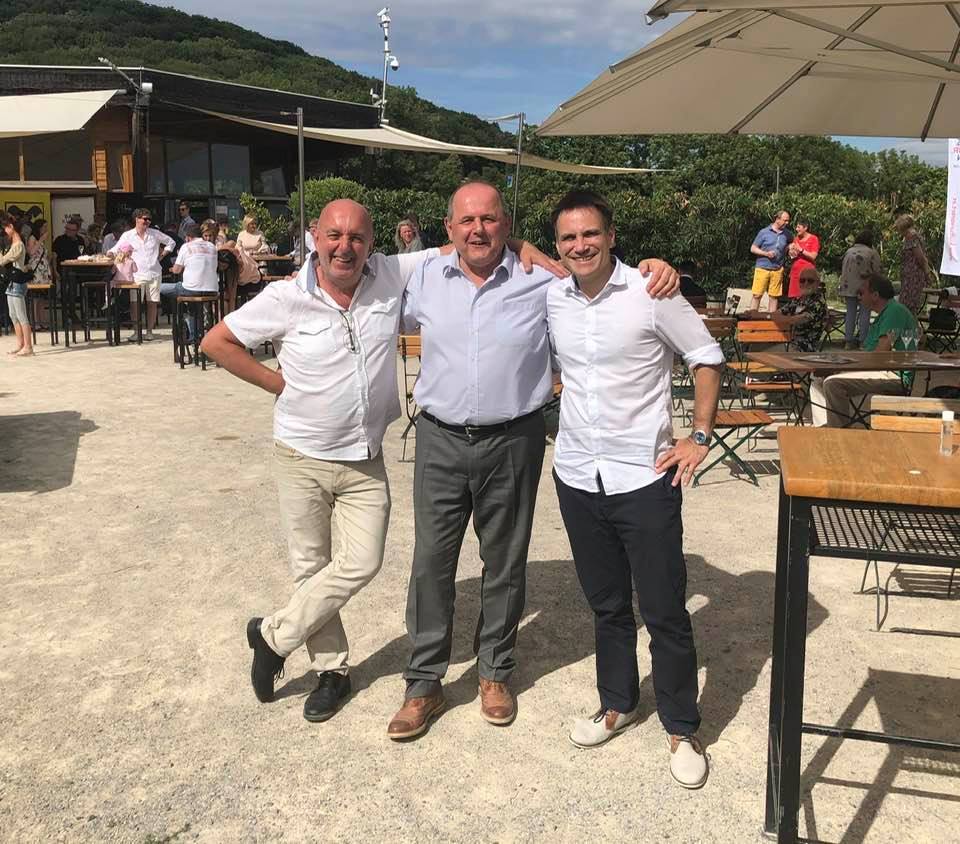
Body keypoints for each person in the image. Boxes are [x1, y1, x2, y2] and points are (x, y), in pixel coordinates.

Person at [201, 198, 567, 724]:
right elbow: (218, 342)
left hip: (370, 454)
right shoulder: (286, 296)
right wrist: (279, 385)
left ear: (373, 244)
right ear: (315, 237)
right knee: (327, 568)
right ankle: (339, 671)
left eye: (356, 237)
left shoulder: (394, 275)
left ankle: (276, 635)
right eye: (333, 235)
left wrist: (518, 244)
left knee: (373, 561)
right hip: (307, 452)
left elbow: (476, 243)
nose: (344, 246)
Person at [386, 180, 679, 741]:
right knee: (431, 563)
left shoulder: (543, 279)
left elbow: (599, 277)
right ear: (448, 228)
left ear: (507, 224)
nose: (478, 230)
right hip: (440, 438)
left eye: (490, 219)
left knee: (505, 560)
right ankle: (424, 681)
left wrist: (656, 267)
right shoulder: (422, 278)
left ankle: (495, 672)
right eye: (466, 220)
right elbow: (361, 276)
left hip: (513, 438)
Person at [546, 190, 720, 788]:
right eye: (568, 238)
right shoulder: (554, 297)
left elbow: (706, 357)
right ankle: (617, 703)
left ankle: (681, 725)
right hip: (577, 474)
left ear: (611, 236)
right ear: (557, 246)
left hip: (643, 477)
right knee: (607, 605)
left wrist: (700, 436)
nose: (580, 246)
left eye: (589, 234)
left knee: (665, 609)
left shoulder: (653, 291)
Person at [810, 273, 919, 427]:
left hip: (893, 375)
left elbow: (879, 356)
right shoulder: (884, 314)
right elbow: (867, 354)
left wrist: (842, 367)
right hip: (877, 370)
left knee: (832, 384)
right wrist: (838, 363)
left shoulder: (894, 311)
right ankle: (824, 429)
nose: (858, 297)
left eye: (861, 292)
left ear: (875, 295)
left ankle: (837, 434)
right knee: (818, 381)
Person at [106, 209, 176, 342]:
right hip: (137, 274)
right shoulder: (128, 235)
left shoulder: (155, 233)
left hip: (154, 272)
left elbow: (171, 242)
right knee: (135, 303)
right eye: (145, 219)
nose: (147, 222)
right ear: (137, 219)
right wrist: (110, 253)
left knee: (152, 302)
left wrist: (163, 254)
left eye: (149, 219)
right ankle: (136, 331)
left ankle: (149, 331)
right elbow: (117, 248)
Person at [743, 267, 827, 353]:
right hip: (787, 341)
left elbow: (793, 320)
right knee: (753, 347)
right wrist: (754, 314)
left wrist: (764, 316)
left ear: (817, 283)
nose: (806, 283)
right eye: (802, 280)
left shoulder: (818, 303)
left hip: (803, 348)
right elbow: (778, 313)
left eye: (810, 281)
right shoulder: (798, 300)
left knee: (761, 353)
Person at [160, 223, 219, 344]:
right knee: (193, 302)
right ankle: (195, 336)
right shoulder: (212, 246)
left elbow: (177, 270)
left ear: (188, 237)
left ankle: (190, 333)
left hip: (190, 289)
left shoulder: (186, 247)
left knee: (159, 287)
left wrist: (172, 269)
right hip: (212, 290)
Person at [839, 230, 881, 349]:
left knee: (850, 313)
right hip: (865, 286)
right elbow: (877, 270)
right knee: (865, 313)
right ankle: (863, 341)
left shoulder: (849, 251)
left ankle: (848, 341)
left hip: (848, 286)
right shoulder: (871, 253)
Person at [1, 212, 34, 356]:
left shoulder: (18, 244)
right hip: (11, 283)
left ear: (11, 227)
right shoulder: (13, 244)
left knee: (21, 315)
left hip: (17, 283)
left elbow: (3, 261)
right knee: (13, 315)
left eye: (6, 227)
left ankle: (28, 346)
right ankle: (20, 344)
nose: (5, 230)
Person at [750, 210, 792, 312]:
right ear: (777, 219)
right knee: (757, 295)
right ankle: (752, 317)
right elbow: (753, 248)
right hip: (762, 268)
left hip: (777, 269)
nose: (787, 223)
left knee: (774, 296)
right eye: (785, 220)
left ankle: (771, 319)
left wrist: (790, 247)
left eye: (788, 221)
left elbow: (791, 244)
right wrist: (766, 254)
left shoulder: (787, 234)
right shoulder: (764, 232)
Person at [895, 214, 935, 314]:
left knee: (908, 307)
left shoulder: (912, 238)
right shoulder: (911, 237)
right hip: (909, 277)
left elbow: (921, 258)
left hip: (913, 278)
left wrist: (927, 274)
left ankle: (911, 324)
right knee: (908, 308)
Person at [786, 218, 819, 299]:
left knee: (805, 297)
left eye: (799, 227)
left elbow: (813, 256)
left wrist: (801, 250)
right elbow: (793, 256)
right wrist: (790, 250)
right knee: (794, 297)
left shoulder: (813, 239)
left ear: (805, 228)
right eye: (796, 227)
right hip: (795, 272)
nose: (796, 229)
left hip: (807, 273)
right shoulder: (796, 238)